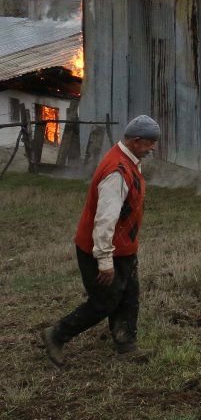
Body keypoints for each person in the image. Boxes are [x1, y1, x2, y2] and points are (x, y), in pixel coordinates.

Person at [42, 114, 160, 367]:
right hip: (101, 249)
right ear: (136, 141)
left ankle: (126, 345)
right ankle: (56, 334)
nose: (153, 149)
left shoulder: (130, 160)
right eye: (150, 143)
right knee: (104, 302)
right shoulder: (117, 172)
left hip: (123, 248)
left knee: (129, 296)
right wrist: (104, 261)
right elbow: (104, 220)